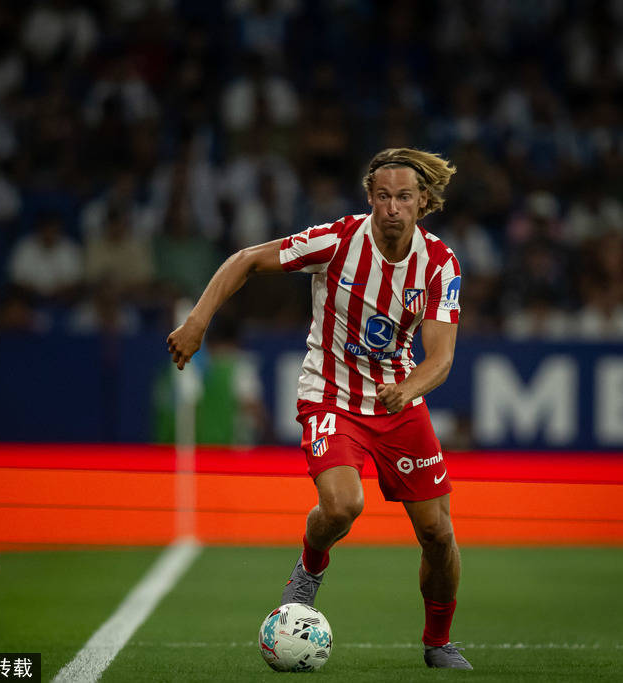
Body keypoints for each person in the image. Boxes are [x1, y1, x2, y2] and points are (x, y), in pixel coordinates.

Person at [168, 148, 472, 669]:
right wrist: (198, 321)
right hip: (331, 394)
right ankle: (308, 572)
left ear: (423, 201)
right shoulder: (339, 241)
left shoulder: (440, 264)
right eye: (383, 196)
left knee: (438, 534)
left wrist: (407, 389)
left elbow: (441, 358)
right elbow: (246, 259)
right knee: (341, 506)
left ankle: (438, 642)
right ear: (369, 197)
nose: (392, 207)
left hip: (398, 402)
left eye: (403, 197)